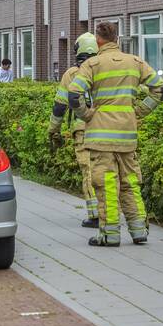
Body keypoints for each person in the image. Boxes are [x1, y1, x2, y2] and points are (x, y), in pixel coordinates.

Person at [68, 22, 163, 246]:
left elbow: (74, 95)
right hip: (127, 134)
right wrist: (138, 111)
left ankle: (109, 234)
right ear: (117, 39)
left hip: (101, 136)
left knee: (106, 184)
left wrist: (87, 115)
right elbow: (161, 89)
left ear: (98, 40)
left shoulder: (92, 64)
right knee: (131, 182)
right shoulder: (135, 62)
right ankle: (139, 230)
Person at [49, 33, 99, 227]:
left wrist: (53, 130)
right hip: (106, 127)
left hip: (82, 129)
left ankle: (95, 215)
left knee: (89, 170)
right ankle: (110, 212)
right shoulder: (105, 69)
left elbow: (60, 106)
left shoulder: (71, 74)